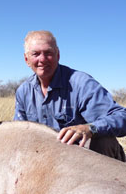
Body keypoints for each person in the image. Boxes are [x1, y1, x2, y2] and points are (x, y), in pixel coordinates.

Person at [14, 30, 126, 161]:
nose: (42, 59)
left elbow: (121, 117)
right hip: (47, 159)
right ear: (27, 59)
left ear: (58, 55)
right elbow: (19, 133)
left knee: (104, 141)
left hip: (83, 158)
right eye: (36, 54)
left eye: (48, 53)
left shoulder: (81, 83)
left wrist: (90, 129)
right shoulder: (23, 91)